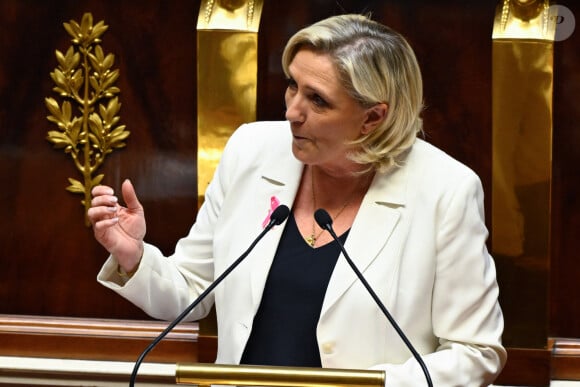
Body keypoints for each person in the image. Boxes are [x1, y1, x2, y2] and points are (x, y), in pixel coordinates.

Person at [88, 13, 506, 386]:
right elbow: (194, 290)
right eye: (293, 86)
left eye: (317, 99)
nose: (292, 110)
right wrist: (135, 257)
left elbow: (475, 353)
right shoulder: (252, 150)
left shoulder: (445, 189)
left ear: (373, 117)